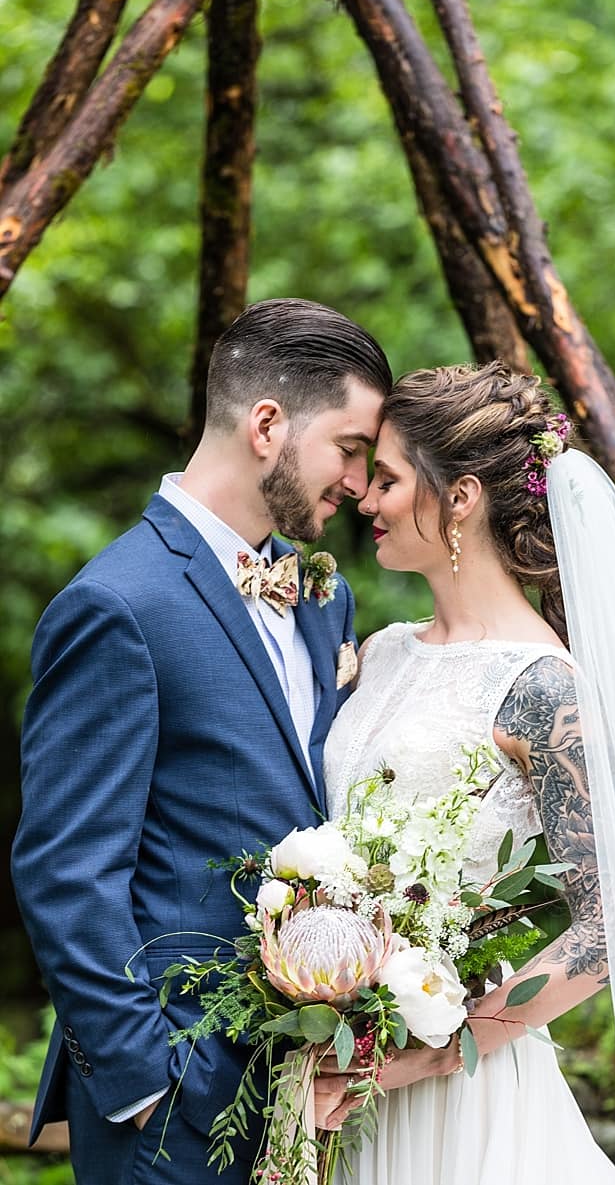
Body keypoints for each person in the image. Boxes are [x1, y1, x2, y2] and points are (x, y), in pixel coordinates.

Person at [309, 363, 615, 1185]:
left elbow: (607, 929)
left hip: (463, 1096)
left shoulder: (543, 687)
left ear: (460, 497)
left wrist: (431, 1051)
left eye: (387, 479)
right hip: (343, 1079)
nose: (365, 499)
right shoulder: (382, 651)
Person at [12, 299, 392, 1185]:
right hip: (174, 1104)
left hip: (307, 1086)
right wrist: (148, 1079)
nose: (359, 485)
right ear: (268, 424)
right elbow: (66, 868)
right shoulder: (118, 605)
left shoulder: (321, 597)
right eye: (349, 448)